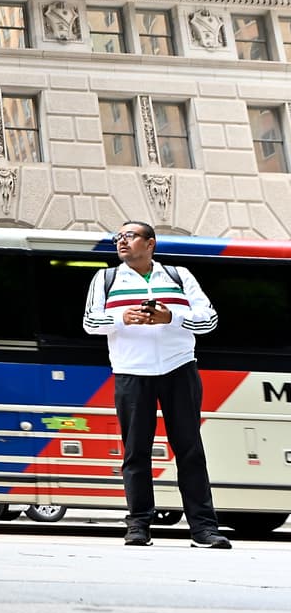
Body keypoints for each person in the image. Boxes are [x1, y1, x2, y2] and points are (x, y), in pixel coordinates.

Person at [82, 221, 230, 549]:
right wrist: (123, 318)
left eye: (130, 236)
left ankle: (204, 529)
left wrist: (171, 319)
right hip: (131, 373)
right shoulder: (106, 278)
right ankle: (138, 527)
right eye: (119, 237)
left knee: (190, 450)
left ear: (150, 243)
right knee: (136, 452)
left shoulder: (179, 276)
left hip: (179, 370)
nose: (122, 241)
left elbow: (209, 320)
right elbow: (90, 322)